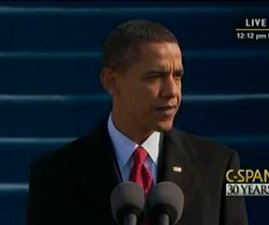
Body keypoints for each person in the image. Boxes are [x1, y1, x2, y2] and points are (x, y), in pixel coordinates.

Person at [27, 19, 248, 225]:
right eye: (154, 77)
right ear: (112, 82)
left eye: (177, 76)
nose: (172, 91)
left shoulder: (220, 166)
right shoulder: (54, 175)